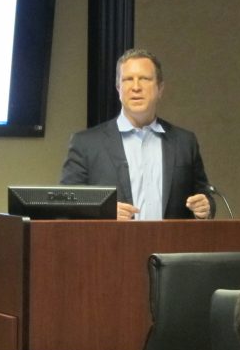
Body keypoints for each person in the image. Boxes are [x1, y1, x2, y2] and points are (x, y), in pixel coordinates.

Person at [59, 48, 215, 221]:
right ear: (118, 89)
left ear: (160, 89)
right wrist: (103, 211)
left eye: (144, 79)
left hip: (170, 239)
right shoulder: (86, 144)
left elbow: (204, 195)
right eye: (128, 80)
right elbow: (65, 205)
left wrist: (206, 207)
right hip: (109, 239)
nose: (136, 87)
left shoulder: (184, 142)